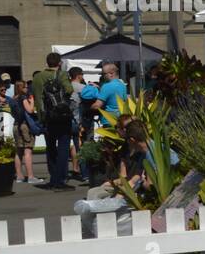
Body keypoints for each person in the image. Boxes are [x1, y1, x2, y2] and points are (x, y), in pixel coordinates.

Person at [33, 52, 74, 190]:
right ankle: (60, 180)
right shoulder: (62, 75)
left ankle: (53, 178)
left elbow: (38, 100)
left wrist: (41, 119)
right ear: (59, 63)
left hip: (48, 118)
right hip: (62, 116)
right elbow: (69, 89)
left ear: (47, 62)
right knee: (63, 148)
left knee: (50, 148)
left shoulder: (38, 77)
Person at [79, 60, 128, 128]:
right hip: (120, 120)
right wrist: (99, 87)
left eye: (103, 74)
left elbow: (97, 106)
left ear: (111, 73)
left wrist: (86, 109)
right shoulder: (122, 85)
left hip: (108, 121)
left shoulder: (106, 86)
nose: (102, 76)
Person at [11, 92, 45, 184]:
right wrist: (32, 102)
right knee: (28, 151)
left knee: (18, 151)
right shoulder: (23, 98)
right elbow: (30, 110)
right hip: (25, 126)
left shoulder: (13, 99)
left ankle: (19, 176)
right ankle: (30, 176)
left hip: (16, 125)